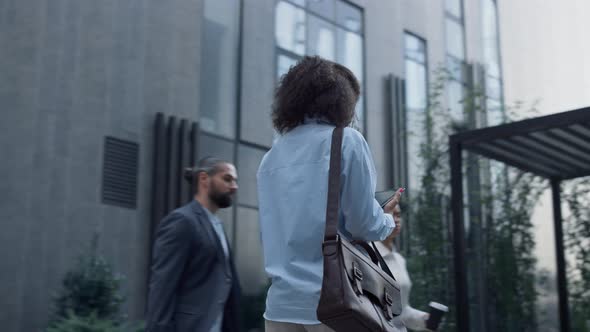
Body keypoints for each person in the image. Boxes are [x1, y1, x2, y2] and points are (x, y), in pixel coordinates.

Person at [257, 56, 402, 332]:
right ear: (340, 101)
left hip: (280, 306)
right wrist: (385, 218)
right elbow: (363, 224)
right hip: (336, 303)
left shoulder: (271, 157)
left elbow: (269, 234)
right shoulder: (347, 140)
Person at [146, 157, 241, 332]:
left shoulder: (217, 226)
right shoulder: (182, 221)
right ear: (204, 179)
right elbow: (162, 288)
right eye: (227, 179)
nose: (234, 187)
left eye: (235, 181)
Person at [375, 205, 430, 331]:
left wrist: (423, 319)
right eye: (391, 214)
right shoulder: (367, 257)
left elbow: (401, 310)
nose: (397, 220)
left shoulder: (399, 260)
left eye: (398, 215)